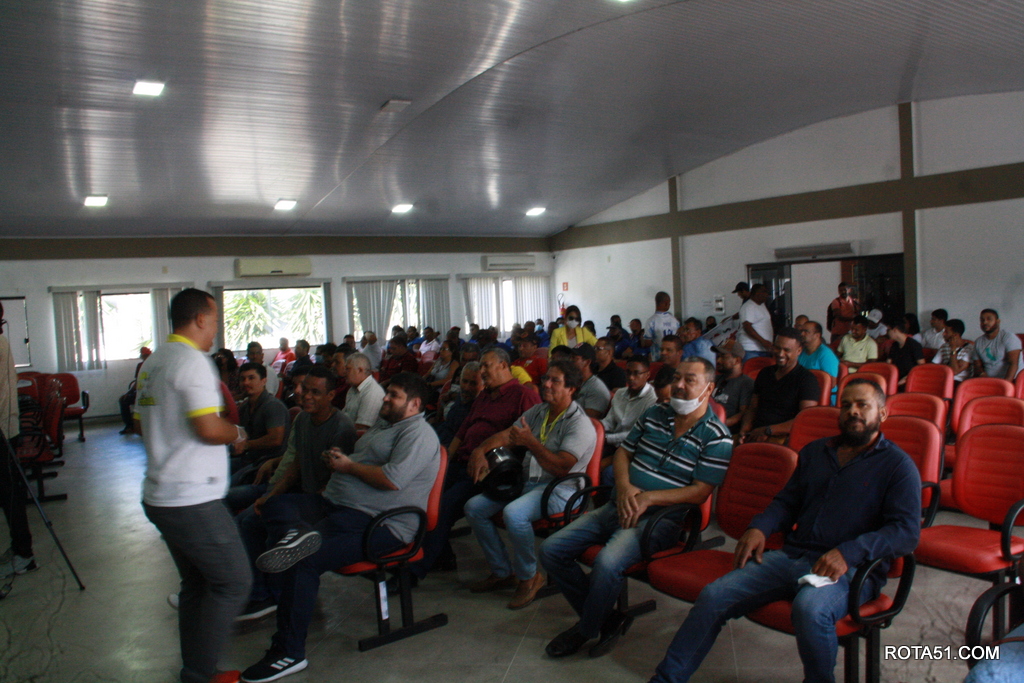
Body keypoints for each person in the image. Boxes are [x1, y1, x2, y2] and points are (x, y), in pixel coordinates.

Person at [649, 378, 921, 683]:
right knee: (714, 596)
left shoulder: (898, 466)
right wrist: (760, 527)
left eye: (862, 405)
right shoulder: (817, 452)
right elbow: (786, 502)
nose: (853, 412)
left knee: (810, 609)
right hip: (793, 556)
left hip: (851, 572)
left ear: (882, 413)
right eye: (846, 405)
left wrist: (848, 552)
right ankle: (666, 679)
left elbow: (906, 532)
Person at [240, 373, 440, 683]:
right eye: (387, 392)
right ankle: (290, 552)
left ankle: (288, 653)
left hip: (380, 523)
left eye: (394, 395)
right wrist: (339, 460)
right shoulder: (385, 424)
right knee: (270, 507)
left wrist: (347, 466)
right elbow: (363, 460)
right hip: (338, 506)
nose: (385, 398)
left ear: (414, 405)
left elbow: (392, 479)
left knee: (302, 560)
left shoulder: (419, 434)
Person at [541, 357, 733, 659]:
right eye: (677, 378)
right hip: (618, 503)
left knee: (607, 563)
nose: (679, 385)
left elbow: (700, 492)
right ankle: (606, 618)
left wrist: (648, 499)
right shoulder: (655, 413)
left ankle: (586, 629)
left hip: (658, 521)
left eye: (689, 380)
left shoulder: (717, 436)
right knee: (551, 549)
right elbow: (623, 454)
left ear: (709, 388)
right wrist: (626, 487)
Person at [133, 288, 252, 683]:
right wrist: (237, 432)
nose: (216, 328)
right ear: (200, 319)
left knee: (197, 584)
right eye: (215, 320)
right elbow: (208, 428)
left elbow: (139, 424)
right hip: (191, 498)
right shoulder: (194, 362)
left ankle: (195, 669)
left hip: (161, 493)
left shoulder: (154, 362)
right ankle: (200, 674)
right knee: (234, 581)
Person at [464, 360, 597, 610]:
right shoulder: (539, 412)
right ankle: (503, 571)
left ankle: (529, 576)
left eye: (555, 381)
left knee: (514, 514)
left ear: (571, 389)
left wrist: (531, 443)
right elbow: (507, 434)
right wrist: (481, 449)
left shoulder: (580, 424)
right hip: (529, 482)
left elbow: (562, 468)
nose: (546, 384)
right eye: (545, 378)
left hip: (562, 489)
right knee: (474, 507)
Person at [235, 366, 357, 621]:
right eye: (305, 390)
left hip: (327, 501)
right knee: (249, 520)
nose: (306, 396)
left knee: (262, 522)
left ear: (331, 396)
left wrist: (294, 505)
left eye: (315, 392)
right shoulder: (302, 419)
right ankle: (260, 591)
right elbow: (297, 464)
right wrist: (272, 495)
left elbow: (336, 479)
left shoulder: (341, 427)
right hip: (303, 493)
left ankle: (270, 595)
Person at [411, 347, 540, 581]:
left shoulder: (523, 396)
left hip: (489, 471)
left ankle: (413, 572)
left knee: (443, 506)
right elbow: (462, 431)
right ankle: (439, 555)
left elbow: (527, 438)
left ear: (503, 366)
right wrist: (444, 463)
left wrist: (485, 452)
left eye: (485, 366)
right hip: (461, 461)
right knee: (420, 493)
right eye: (480, 366)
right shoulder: (484, 396)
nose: (482, 371)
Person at [0, 301, 36, 580]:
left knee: (9, 494)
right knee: (9, 493)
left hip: (2, 431)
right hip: (7, 428)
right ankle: (20, 549)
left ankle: (23, 554)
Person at [740, 328, 819, 443]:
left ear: (799, 351)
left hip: (783, 437)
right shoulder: (765, 373)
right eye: (777, 348)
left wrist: (768, 430)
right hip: (756, 433)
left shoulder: (807, 380)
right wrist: (745, 429)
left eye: (787, 350)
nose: (780, 354)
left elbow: (805, 420)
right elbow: (753, 408)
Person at [230, 363, 289, 481]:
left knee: (227, 488)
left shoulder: (272, 406)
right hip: (249, 459)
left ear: (264, 381)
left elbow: (275, 439)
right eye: (242, 379)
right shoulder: (245, 407)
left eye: (251, 378)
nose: (246, 383)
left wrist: (246, 445)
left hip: (266, 464)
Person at [435, 362, 483, 447]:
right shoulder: (461, 396)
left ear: (484, 385)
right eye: (464, 381)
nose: (467, 388)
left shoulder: (481, 409)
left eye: (473, 383)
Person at [711, 339, 754, 432]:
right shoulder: (715, 379)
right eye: (718, 356)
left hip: (726, 431)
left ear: (737, 360)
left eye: (723, 357)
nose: (718, 360)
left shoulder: (746, 383)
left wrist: (719, 425)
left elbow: (743, 414)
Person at [973, 308, 1022, 380]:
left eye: (989, 319)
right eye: (982, 320)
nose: (985, 322)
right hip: (988, 380)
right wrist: (982, 374)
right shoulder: (978, 342)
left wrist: (1005, 383)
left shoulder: (1008, 337)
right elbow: (977, 365)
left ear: (998, 321)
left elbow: (1013, 364)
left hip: (1012, 380)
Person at [118, 346, 153, 434]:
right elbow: (137, 382)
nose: (144, 357)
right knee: (123, 400)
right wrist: (128, 392)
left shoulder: (155, 365)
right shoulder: (140, 366)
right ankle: (129, 426)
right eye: (144, 355)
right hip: (140, 393)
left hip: (151, 393)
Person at [571, 344, 611, 419]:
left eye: (574, 358)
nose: (570, 362)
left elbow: (588, 421)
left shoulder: (596, 388)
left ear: (587, 362)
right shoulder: (572, 381)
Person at [737, 283, 773, 361]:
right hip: (751, 349)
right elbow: (747, 327)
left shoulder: (762, 305)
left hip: (762, 349)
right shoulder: (748, 306)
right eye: (764, 292)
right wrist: (763, 342)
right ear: (757, 293)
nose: (767, 295)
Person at [932, 318, 974, 384]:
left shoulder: (969, 349)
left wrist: (953, 350)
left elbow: (954, 371)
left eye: (946, 332)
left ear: (955, 335)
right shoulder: (944, 346)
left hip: (960, 383)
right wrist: (956, 363)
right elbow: (934, 365)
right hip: (944, 379)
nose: (943, 334)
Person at [642, 292, 681, 361]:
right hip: (673, 357)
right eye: (669, 303)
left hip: (658, 357)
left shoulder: (651, 321)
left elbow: (648, 342)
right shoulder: (675, 320)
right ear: (666, 303)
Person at [886, 320, 925, 385]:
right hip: (895, 378)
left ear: (895, 330)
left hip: (910, 380)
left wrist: (906, 378)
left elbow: (921, 367)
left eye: (888, 330)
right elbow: (888, 363)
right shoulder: (894, 345)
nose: (886, 332)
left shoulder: (914, 345)